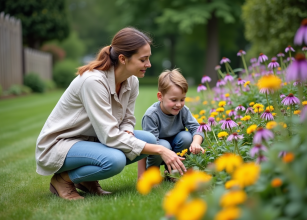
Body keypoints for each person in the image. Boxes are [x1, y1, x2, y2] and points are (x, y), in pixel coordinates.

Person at [35, 27, 187, 201]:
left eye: (149, 58)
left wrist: (128, 132)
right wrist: (160, 150)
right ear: (123, 59)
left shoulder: (132, 81)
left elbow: (128, 119)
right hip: (61, 144)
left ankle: (87, 181)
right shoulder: (93, 82)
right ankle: (62, 180)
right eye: (143, 59)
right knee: (115, 160)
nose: (149, 64)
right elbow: (110, 136)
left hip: (92, 139)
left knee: (149, 140)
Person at [138, 69, 205, 180]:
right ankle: (152, 173)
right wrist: (141, 175)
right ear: (160, 96)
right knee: (164, 145)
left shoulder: (183, 110)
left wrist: (196, 143)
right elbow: (145, 145)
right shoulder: (151, 115)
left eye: (182, 99)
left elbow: (196, 128)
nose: (178, 104)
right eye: (174, 100)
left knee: (187, 137)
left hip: (176, 145)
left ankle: (174, 172)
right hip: (158, 149)